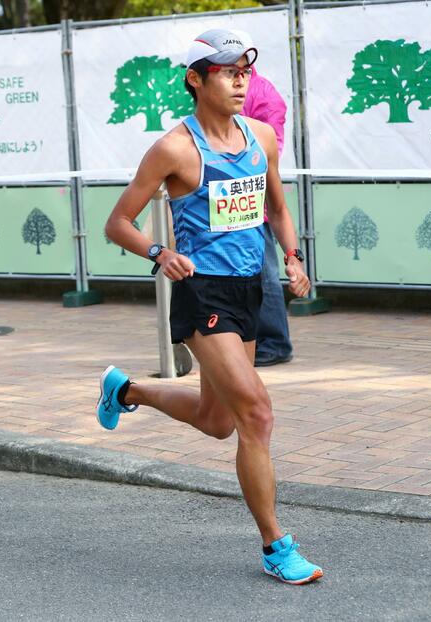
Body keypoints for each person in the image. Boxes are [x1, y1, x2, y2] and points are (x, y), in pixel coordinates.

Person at [98, 30, 323, 584]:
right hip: (203, 295)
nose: (240, 79)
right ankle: (276, 546)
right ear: (196, 80)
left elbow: (276, 207)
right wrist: (160, 252)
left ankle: (126, 390)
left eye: (245, 68)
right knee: (257, 414)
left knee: (216, 421)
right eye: (226, 70)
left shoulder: (262, 136)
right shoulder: (175, 148)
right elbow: (117, 222)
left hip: (250, 289)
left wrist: (293, 257)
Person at [238, 35, 294, 367]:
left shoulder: (263, 94)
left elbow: (269, 149)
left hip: (253, 198)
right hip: (235, 200)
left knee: (263, 272)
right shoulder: (245, 90)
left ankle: (274, 342)